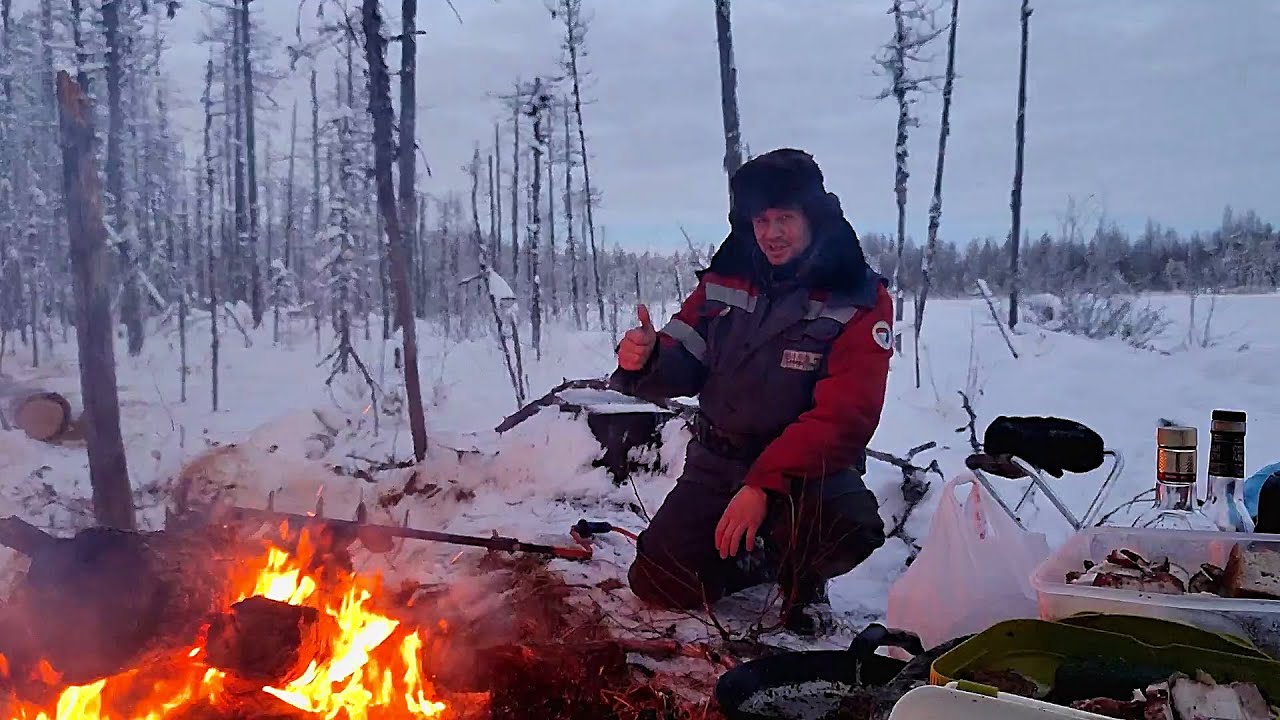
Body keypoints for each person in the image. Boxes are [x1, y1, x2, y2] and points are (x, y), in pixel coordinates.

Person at [609, 148, 893, 634]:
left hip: (806, 474)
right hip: (717, 463)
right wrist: (649, 356)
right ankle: (754, 559)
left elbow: (846, 418)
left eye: (785, 217)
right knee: (658, 581)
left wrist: (763, 483)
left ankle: (800, 576)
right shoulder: (726, 279)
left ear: (814, 217)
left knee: (845, 524)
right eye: (761, 220)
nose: (771, 233)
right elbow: (686, 354)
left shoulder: (859, 298)